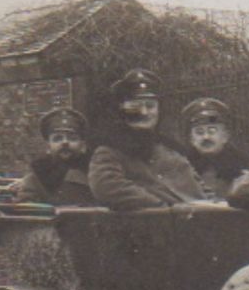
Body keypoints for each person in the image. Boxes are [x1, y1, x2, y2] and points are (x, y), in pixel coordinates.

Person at [87, 68, 207, 210]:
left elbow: (202, 188)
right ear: (122, 110)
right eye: (135, 106)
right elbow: (107, 186)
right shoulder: (109, 151)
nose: (144, 112)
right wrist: (162, 208)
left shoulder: (172, 149)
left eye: (150, 106)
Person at [14, 106, 95, 205]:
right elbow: (25, 208)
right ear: (48, 145)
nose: (65, 143)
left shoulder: (95, 171)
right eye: (57, 139)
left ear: (82, 144)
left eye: (72, 138)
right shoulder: (38, 175)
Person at [180, 96, 249, 199]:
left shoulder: (245, 165)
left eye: (212, 131)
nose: (206, 137)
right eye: (199, 132)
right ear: (191, 140)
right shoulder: (181, 169)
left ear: (225, 136)